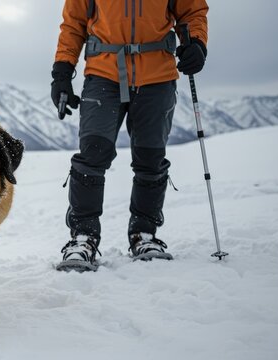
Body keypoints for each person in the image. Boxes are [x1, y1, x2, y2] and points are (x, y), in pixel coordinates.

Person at [51, 0, 209, 272]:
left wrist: (197, 43)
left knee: (151, 156)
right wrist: (62, 71)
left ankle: (144, 235)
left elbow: (192, 11)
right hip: (103, 73)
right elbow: (74, 23)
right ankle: (83, 238)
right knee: (92, 154)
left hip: (157, 76)